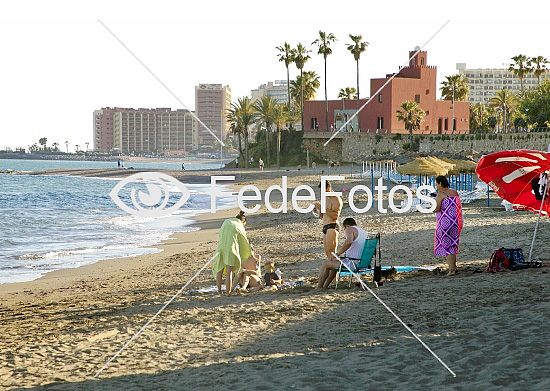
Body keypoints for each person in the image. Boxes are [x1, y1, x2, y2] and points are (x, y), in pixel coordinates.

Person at [317, 217, 368, 288]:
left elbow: (349, 242)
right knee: (333, 261)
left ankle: (319, 287)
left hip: (352, 263)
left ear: (347, 226)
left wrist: (338, 253)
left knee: (325, 264)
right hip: (363, 263)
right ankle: (325, 286)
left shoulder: (350, 229)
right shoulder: (364, 232)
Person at [212, 211, 253, 294]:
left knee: (219, 271)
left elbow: (220, 234)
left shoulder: (226, 221)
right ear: (243, 221)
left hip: (220, 248)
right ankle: (228, 291)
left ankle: (219, 291)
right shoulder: (239, 225)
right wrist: (249, 252)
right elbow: (244, 241)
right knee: (229, 272)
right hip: (231, 250)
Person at [313, 180, 343, 289]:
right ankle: (332, 279)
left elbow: (335, 215)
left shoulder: (336, 198)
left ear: (328, 188)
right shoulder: (326, 198)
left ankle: (334, 280)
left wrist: (323, 209)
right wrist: (317, 211)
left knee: (332, 255)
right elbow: (324, 215)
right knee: (328, 255)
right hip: (325, 226)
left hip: (332, 226)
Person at [433, 175, 463, 275]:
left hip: (445, 223)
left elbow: (437, 208)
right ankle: (454, 267)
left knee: (447, 246)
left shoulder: (441, 195)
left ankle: (451, 270)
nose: (436, 186)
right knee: (453, 244)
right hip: (456, 222)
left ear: (440, 183)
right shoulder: (455, 192)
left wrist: (430, 208)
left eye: (437, 183)